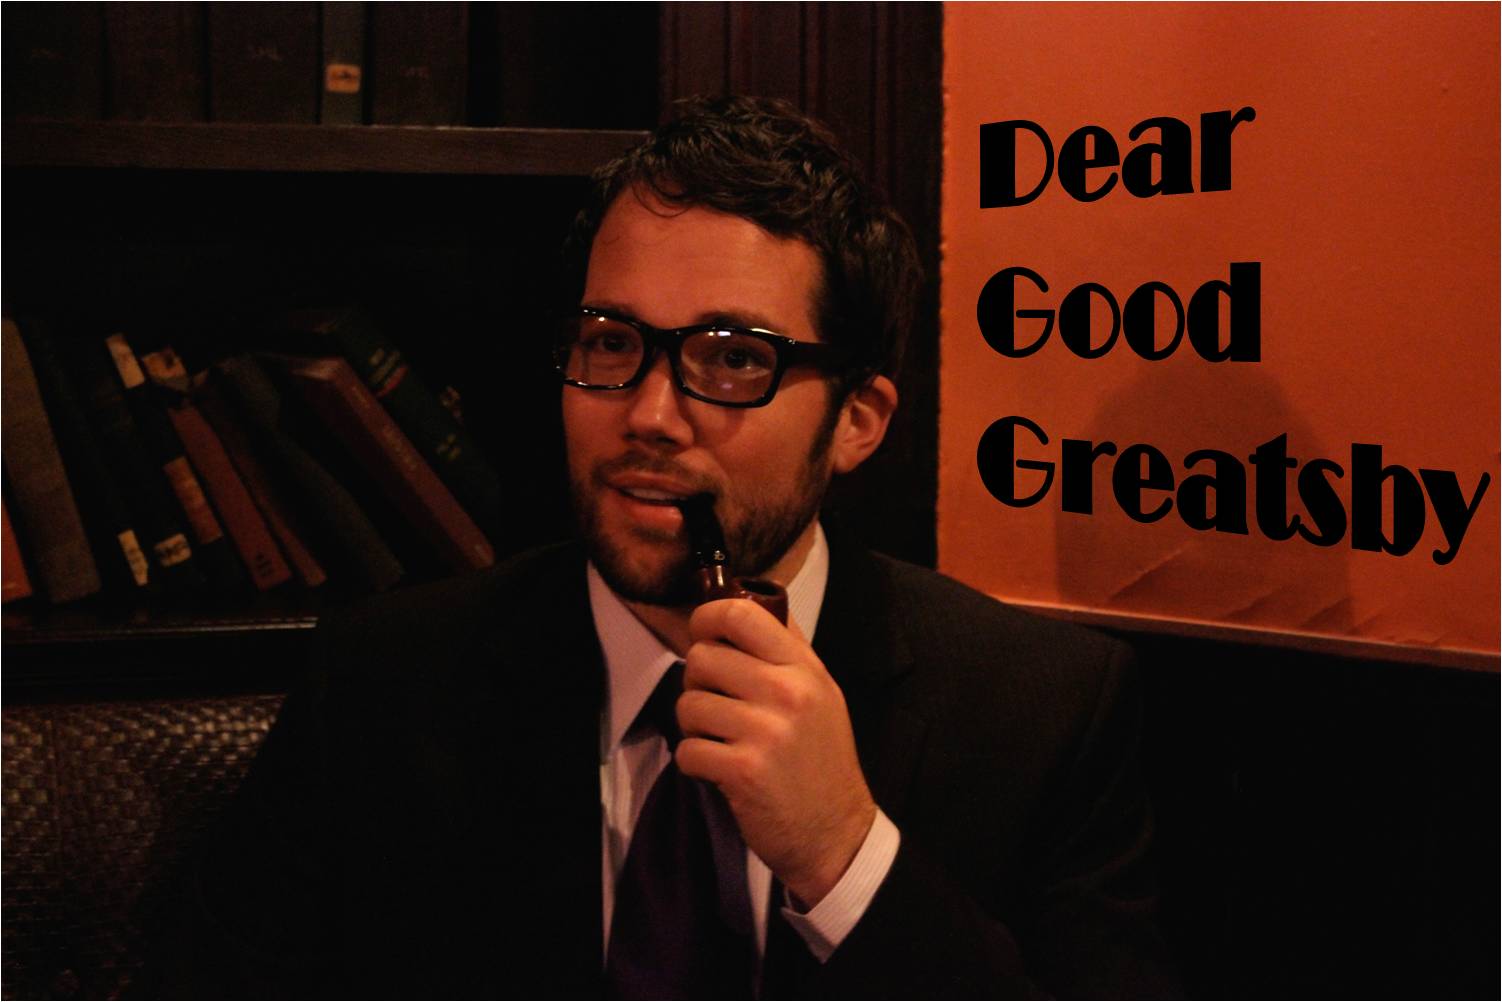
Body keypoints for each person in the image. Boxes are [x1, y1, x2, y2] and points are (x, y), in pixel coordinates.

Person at [170, 96, 1173, 998]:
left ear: (856, 421)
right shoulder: (381, 684)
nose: (649, 415)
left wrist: (843, 856)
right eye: (611, 342)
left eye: (733, 359)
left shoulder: (1039, 712)